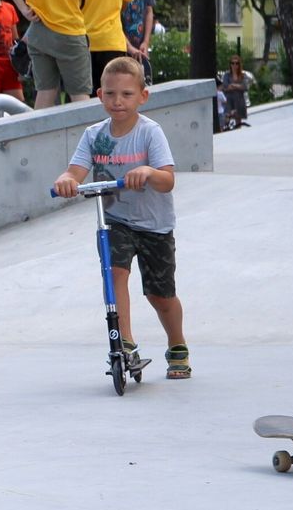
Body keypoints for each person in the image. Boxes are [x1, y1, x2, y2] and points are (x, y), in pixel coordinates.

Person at [53, 56, 191, 380]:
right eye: (111, 94)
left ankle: (177, 342)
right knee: (114, 273)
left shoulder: (150, 134)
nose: (118, 101)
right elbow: (75, 170)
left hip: (154, 224)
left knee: (160, 295)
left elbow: (168, 179)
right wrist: (66, 180)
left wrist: (147, 171)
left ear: (143, 96)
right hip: (114, 218)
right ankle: (125, 343)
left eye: (127, 94)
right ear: (99, 95)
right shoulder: (93, 135)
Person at [220, 56, 250, 129]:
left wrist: (233, 85)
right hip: (229, 100)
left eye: (237, 63)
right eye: (232, 63)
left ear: (239, 65)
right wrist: (238, 86)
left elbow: (245, 87)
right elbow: (225, 87)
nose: (234, 65)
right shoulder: (227, 75)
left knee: (238, 121)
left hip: (239, 100)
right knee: (227, 119)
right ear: (230, 64)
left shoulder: (242, 75)